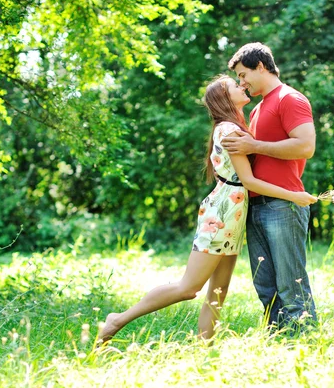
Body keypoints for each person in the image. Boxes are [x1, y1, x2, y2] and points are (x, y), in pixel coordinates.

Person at [99, 75, 317, 343]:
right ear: (225, 98)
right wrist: (294, 195)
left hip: (233, 215)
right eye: (235, 85)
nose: (242, 85)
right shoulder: (229, 131)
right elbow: (248, 181)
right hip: (222, 214)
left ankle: (205, 350)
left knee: (218, 291)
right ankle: (118, 319)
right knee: (189, 288)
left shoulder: (236, 126)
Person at [223, 42, 318, 332]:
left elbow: (306, 146)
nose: (242, 82)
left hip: (283, 205)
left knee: (292, 284)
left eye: (242, 75)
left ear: (261, 66)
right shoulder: (259, 108)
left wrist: (254, 145)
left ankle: (305, 340)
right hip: (257, 205)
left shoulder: (290, 98)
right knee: (265, 285)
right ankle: (278, 338)